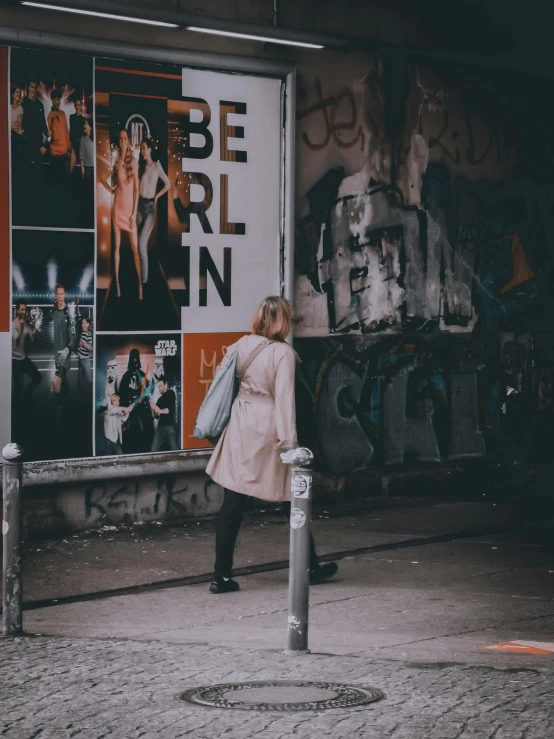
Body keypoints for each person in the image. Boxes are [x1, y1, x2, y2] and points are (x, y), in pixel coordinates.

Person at [206, 296, 338, 594]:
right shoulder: (283, 354)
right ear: (283, 321)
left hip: (240, 427)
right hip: (268, 431)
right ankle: (310, 565)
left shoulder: (241, 345)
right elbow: (285, 402)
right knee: (292, 499)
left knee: (232, 503)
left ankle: (221, 575)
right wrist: (291, 445)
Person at [101, 129, 142, 301]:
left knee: (135, 249)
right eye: (121, 138)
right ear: (119, 141)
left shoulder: (133, 160)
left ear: (128, 141)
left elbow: (137, 190)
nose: (123, 140)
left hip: (130, 212)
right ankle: (117, 284)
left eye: (125, 138)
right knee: (116, 247)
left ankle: (140, 285)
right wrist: (111, 190)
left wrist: (134, 214)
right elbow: (104, 178)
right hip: (118, 210)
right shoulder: (116, 161)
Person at [137, 137, 170, 286]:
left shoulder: (157, 166)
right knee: (135, 244)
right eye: (141, 148)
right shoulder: (139, 166)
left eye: (144, 148)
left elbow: (168, 184)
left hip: (150, 209)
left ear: (150, 149)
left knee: (141, 244)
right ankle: (138, 275)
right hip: (138, 207)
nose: (142, 150)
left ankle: (144, 281)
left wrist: (156, 196)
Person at [21, 79, 47, 211]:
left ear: (37, 89)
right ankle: (25, 202)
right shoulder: (24, 103)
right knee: (25, 171)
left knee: (38, 173)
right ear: (28, 88)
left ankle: (38, 204)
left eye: (34, 87)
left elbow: (42, 125)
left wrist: (48, 136)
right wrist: (39, 146)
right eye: (31, 87)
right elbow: (27, 127)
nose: (32, 90)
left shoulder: (40, 105)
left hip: (38, 144)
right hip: (27, 143)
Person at [12, 300, 42, 405]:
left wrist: (37, 326)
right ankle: (14, 408)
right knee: (19, 387)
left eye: (25, 309)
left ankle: (26, 396)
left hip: (23, 358)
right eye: (22, 310)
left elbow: (32, 338)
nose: (24, 312)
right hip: (15, 360)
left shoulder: (26, 323)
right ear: (17, 310)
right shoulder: (13, 324)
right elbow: (15, 342)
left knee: (38, 378)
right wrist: (20, 328)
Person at [52, 284, 76, 400]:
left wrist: (67, 350)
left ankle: (58, 412)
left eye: (62, 294)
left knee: (56, 382)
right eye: (58, 294)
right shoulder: (53, 312)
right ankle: (68, 404)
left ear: (65, 295)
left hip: (64, 354)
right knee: (63, 381)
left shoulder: (69, 314)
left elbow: (73, 337)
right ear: (55, 295)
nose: (60, 296)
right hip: (56, 353)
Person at [47, 90, 71, 181]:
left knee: (66, 180)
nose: (58, 102)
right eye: (56, 99)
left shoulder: (63, 114)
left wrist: (68, 149)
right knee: (55, 180)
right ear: (52, 100)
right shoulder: (50, 116)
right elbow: (50, 134)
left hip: (64, 152)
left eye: (59, 100)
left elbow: (66, 132)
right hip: (54, 153)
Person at [150, 376, 178, 452]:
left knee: (175, 451)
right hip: (160, 427)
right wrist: (153, 408)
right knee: (153, 451)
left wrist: (158, 409)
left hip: (169, 427)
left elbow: (169, 410)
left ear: (165, 385)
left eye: (161, 386)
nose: (159, 388)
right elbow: (156, 416)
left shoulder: (171, 393)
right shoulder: (159, 400)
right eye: (158, 386)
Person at [69, 98, 85, 174]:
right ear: (74, 106)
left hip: (79, 143)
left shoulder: (83, 119)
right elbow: (71, 131)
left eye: (79, 105)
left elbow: (83, 134)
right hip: (74, 143)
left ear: (80, 106)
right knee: (71, 168)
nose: (78, 107)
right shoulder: (71, 117)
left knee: (82, 166)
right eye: (76, 105)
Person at [10, 86, 24, 172]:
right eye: (17, 92)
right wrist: (11, 126)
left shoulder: (20, 109)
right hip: (9, 138)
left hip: (16, 139)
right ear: (13, 94)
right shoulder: (8, 107)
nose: (19, 94)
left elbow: (17, 128)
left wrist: (8, 127)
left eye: (20, 93)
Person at [77, 315, 92, 391]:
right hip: (80, 358)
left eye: (84, 323)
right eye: (82, 323)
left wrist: (84, 345)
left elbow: (90, 347)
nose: (82, 325)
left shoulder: (88, 334)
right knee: (80, 377)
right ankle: (80, 392)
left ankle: (92, 392)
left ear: (88, 324)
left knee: (89, 379)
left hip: (85, 359)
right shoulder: (82, 333)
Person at [79, 119, 94, 187]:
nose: (84, 125)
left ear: (90, 127)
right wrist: (82, 169)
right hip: (87, 168)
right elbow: (82, 155)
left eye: (86, 124)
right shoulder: (83, 140)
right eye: (84, 124)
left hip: (95, 167)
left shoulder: (95, 139)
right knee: (88, 187)